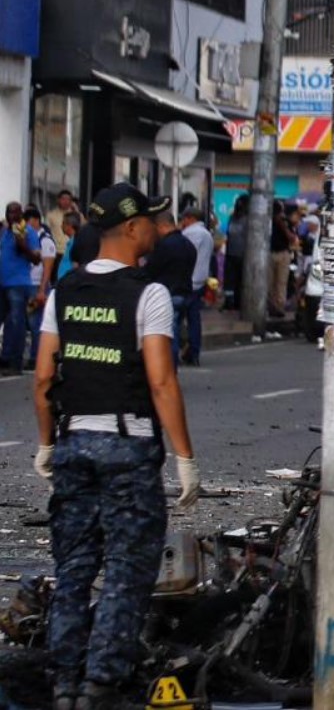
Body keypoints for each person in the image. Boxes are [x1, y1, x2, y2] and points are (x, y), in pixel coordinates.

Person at [32, 182, 199, 710]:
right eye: (149, 221)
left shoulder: (65, 291)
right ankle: (100, 684)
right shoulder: (148, 294)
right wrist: (185, 458)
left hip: (73, 443)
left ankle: (64, 680)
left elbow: (43, 379)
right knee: (127, 569)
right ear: (131, 228)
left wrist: (46, 444)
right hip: (128, 447)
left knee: (74, 568)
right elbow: (161, 382)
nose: (156, 228)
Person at [143, 209, 197, 366]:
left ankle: (169, 367)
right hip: (185, 292)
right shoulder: (188, 245)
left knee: (168, 335)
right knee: (175, 330)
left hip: (168, 293)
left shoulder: (164, 246)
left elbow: (151, 270)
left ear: (161, 226)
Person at [1, 202, 42, 375]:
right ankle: (5, 358)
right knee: (8, 323)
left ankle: (15, 363)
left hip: (18, 284)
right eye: (9, 212)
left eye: (15, 212)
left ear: (21, 214)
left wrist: (22, 245)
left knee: (17, 323)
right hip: (3, 283)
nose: (12, 216)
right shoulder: (5, 231)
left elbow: (36, 259)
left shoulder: (28, 231)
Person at [178, 208, 213, 365]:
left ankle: (184, 349)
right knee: (194, 318)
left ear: (190, 218)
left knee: (177, 318)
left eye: (184, 219)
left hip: (187, 280)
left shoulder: (191, 234)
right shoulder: (207, 234)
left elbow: (183, 255)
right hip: (200, 280)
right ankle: (194, 351)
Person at [27, 208, 57, 369]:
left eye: (29, 222)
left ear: (36, 220)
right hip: (28, 283)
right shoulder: (28, 238)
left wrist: (42, 289)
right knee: (29, 322)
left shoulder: (45, 240)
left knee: (36, 323)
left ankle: (36, 357)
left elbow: (48, 267)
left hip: (39, 284)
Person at [268, 201, 298, 318]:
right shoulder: (267, 222)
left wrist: (283, 226)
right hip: (270, 253)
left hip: (283, 253)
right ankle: (272, 307)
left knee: (281, 282)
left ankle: (279, 306)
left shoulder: (285, 222)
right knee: (270, 282)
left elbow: (292, 238)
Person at [224, 195, 249, 310]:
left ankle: (238, 302)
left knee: (240, 280)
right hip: (231, 254)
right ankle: (229, 301)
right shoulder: (232, 218)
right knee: (229, 280)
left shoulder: (249, 220)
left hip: (243, 255)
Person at [45, 189, 76, 259]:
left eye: (68, 199)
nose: (66, 202)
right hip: (56, 251)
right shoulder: (51, 215)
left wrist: (76, 209)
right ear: (58, 200)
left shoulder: (75, 215)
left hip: (71, 250)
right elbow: (46, 233)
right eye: (63, 199)